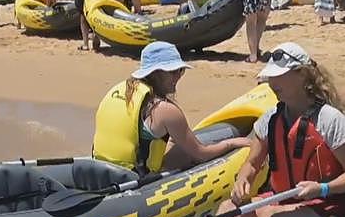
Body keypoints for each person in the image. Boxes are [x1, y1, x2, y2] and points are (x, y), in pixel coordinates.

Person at [145, 42, 345, 217]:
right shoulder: (271, 118)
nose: (272, 83)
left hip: (324, 205)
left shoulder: (330, 120)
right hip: (281, 198)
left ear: (302, 75)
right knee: (229, 207)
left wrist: (321, 188)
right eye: (270, 77)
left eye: (279, 76)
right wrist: (242, 181)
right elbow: (251, 164)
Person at [92, 41, 251, 177]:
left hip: (100, 171)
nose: (178, 77)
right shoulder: (165, 110)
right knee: (187, 154)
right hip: (136, 180)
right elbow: (201, 154)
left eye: (180, 71)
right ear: (155, 73)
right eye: (173, 71)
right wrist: (232, 144)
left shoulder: (121, 91)